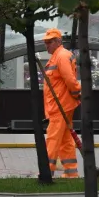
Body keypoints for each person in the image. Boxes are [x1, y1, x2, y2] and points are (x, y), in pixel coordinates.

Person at [41, 28, 81, 178]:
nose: (47, 45)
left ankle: (46, 172)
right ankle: (71, 173)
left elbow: (70, 81)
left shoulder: (61, 56)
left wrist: (77, 93)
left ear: (58, 41)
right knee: (65, 139)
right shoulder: (58, 56)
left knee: (52, 139)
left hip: (60, 106)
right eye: (45, 42)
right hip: (61, 105)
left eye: (49, 42)